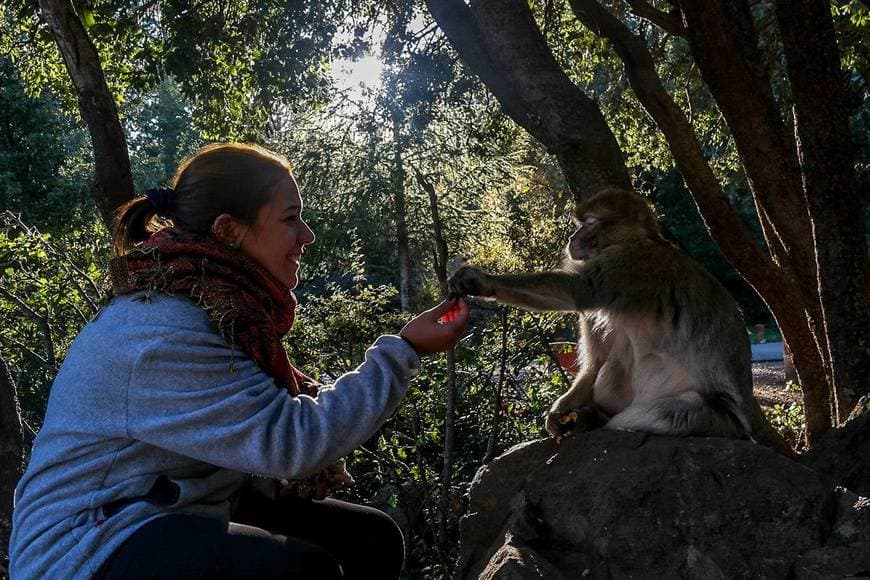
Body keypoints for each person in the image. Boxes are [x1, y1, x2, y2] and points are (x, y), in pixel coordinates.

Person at [8, 143, 469, 579]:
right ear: (228, 231)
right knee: (299, 571)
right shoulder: (163, 333)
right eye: (291, 219)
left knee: (369, 540)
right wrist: (403, 352)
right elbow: (289, 442)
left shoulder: (213, 303)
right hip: (83, 548)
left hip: (169, 506)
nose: (306, 236)